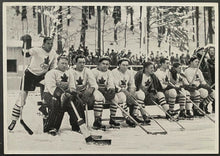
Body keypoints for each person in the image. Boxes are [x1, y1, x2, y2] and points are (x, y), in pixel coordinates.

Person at [8, 37, 57, 131]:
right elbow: (25, 53)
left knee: (46, 97)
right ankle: (13, 120)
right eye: (48, 43)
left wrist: (50, 75)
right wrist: (25, 43)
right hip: (30, 74)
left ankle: (46, 122)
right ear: (43, 44)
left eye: (51, 43)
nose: (50, 45)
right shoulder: (37, 50)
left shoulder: (53, 53)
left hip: (42, 76)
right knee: (22, 98)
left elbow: (52, 66)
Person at [43, 55, 81, 135]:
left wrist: (71, 93)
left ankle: (77, 126)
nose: (64, 65)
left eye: (66, 63)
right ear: (57, 63)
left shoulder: (69, 73)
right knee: (57, 102)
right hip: (50, 94)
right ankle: (52, 127)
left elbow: (72, 86)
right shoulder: (51, 73)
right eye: (62, 63)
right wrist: (62, 95)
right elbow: (51, 88)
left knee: (77, 101)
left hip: (66, 94)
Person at [70, 55, 106, 130]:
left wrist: (90, 90)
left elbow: (94, 85)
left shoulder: (87, 71)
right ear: (75, 63)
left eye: (83, 62)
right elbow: (71, 86)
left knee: (98, 96)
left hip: (85, 92)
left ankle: (97, 120)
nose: (82, 64)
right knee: (76, 103)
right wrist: (76, 93)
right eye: (80, 62)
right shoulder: (70, 71)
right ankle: (77, 125)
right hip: (74, 93)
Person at [111, 58, 142, 126]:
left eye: (127, 65)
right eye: (123, 65)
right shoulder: (114, 72)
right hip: (116, 91)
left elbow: (132, 83)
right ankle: (127, 117)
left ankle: (134, 115)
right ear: (119, 65)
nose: (125, 67)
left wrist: (131, 91)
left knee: (139, 95)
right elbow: (115, 85)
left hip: (126, 91)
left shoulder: (129, 72)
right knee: (122, 97)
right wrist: (124, 91)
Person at [91, 57, 120, 127]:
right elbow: (92, 83)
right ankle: (97, 119)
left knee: (115, 99)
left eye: (107, 64)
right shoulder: (93, 71)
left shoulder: (109, 72)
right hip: (95, 90)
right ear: (99, 64)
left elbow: (110, 83)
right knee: (98, 98)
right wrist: (101, 91)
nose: (105, 65)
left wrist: (111, 89)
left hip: (105, 91)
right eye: (103, 63)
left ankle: (112, 119)